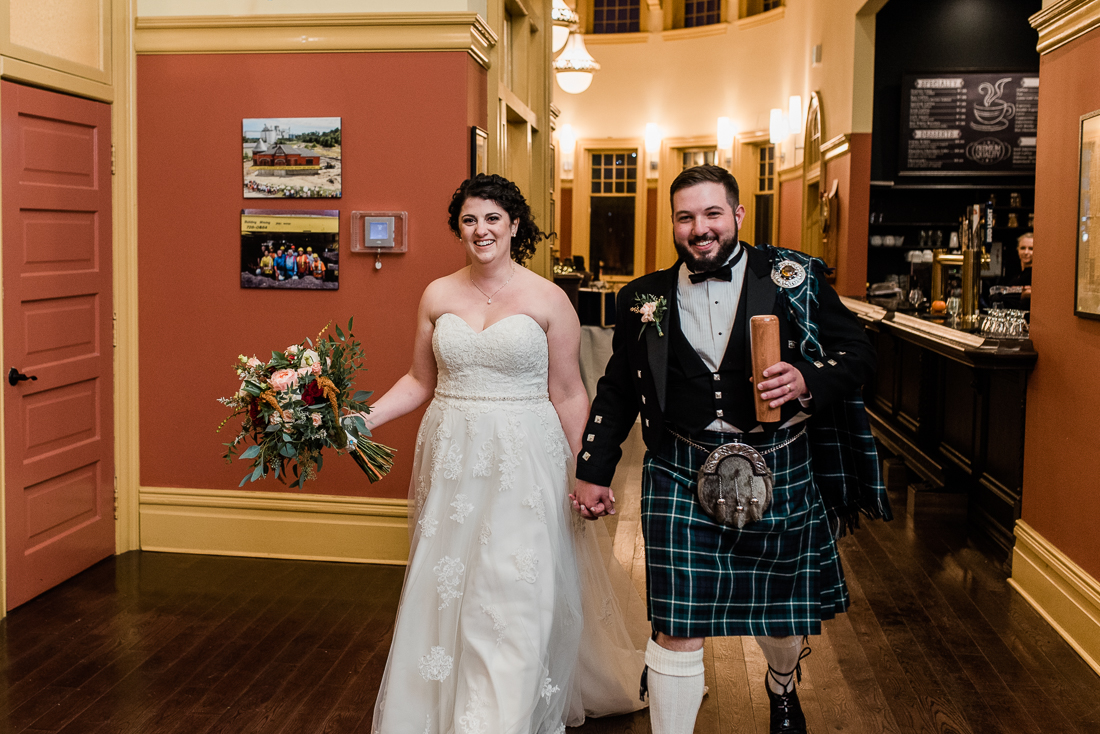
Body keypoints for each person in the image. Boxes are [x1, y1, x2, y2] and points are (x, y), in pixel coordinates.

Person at [572, 165, 890, 734]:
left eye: (712, 213)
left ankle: (782, 684)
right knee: (676, 618)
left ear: (738, 215)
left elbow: (858, 353)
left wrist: (807, 382)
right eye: (686, 217)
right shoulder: (643, 297)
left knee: (780, 613)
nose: (700, 228)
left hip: (779, 456)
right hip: (679, 464)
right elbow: (619, 387)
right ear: (673, 223)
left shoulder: (793, 277)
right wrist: (593, 468)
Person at [366, 174, 647, 733]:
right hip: (453, 457)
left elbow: (568, 393)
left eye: (493, 218)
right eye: (470, 220)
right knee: (449, 583)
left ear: (515, 226)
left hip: (525, 457)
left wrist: (592, 471)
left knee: (514, 587)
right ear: (459, 230)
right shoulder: (437, 294)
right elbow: (420, 380)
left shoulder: (548, 298)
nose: (481, 230)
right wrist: (359, 420)